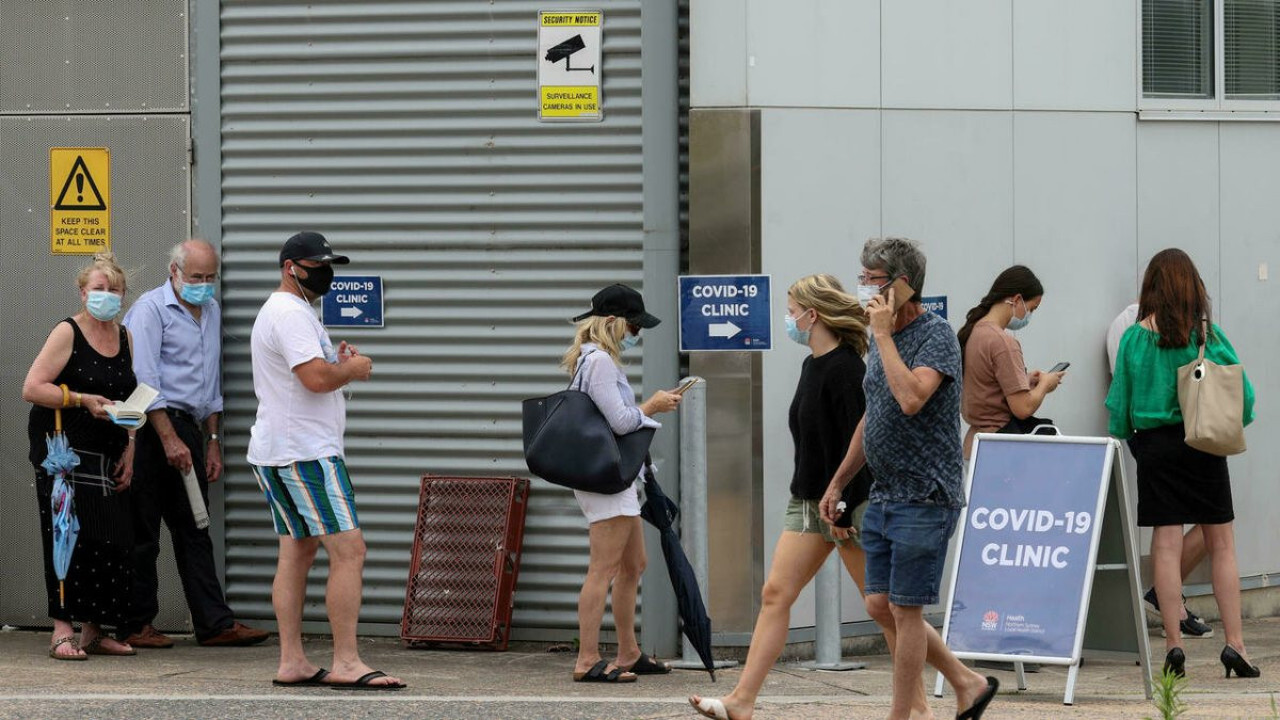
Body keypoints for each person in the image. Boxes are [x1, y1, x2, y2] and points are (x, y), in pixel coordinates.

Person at [691, 275, 930, 720]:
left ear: (811, 314)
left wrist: (841, 505)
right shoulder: (811, 365)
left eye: (791, 309)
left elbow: (861, 445)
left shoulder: (847, 369)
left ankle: (918, 710)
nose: (788, 318)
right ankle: (741, 700)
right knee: (775, 594)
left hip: (848, 506)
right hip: (806, 501)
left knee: (885, 611)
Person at [819, 238, 998, 720]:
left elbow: (912, 398)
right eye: (863, 276)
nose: (864, 287)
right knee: (878, 603)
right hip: (884, 491)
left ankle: (904, 715)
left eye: (873, 279)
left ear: (902, 284)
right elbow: (872, 415)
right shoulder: (882, 337)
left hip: (927, 492)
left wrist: (880, 337)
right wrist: (839, 481)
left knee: (906, 610)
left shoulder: (934, 335)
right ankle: (968, 682)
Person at [248, 231, 404, 689]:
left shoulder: (287, 312)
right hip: (306, 453)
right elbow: (315, 380)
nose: (325, 273)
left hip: (280, 449)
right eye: (317, 265)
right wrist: (350, 370)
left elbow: (306, 374)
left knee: (297, 551)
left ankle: (293, 661)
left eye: (329, 264)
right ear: (289, 267)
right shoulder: (290, 313)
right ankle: (348, 662)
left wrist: (336, 361)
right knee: (350, 550)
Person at [1105, 248, 1259, 679]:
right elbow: (1243, 398)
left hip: (1154, 448)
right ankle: (1236, 645)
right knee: (1221, 544)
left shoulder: (1136, 337)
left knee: (1166, 546)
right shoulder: (1205, 335)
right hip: (1204, 444)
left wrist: (1130, 436)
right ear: (1193, 286)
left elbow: (1119, 406)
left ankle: (1173, 645)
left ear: (1151, 286)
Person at [117, 239, 269, 649]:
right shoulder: (150, 310)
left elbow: (210, 382)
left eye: (210, 278)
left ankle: (214, 624)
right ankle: (136, 624)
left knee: (194, 527)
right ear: (174, 272)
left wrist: (212, 440)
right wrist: (168, 438)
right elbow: (144, 380)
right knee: (143, 530)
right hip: (153, 429)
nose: (204, 285)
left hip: (190, 430)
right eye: (196, 277)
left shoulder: (211, 310)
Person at [22, 252, 139, 660]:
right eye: (99, 289)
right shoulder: (68, 332)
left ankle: (95, 630)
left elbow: (127, 399)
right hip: (63, 452)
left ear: (124, 295)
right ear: (83, 291)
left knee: (109, 540)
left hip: (107, 450)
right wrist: (80, 398)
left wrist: (130, 447)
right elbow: (33, 387)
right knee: (67, 536)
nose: (106, 296)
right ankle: (62, 630)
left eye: (114, 290)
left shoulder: (125, 336)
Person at [563, 284, 681, 684]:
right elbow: (621, 422)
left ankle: (628, 651)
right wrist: (654, 405)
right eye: (633, 327)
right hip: (605, 478)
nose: (637, 335)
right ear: (612, 323)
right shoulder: (598, 363)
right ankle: (587, 659)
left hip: (618, 476)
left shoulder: (598, 361)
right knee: (604, 568)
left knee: (634, 564)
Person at [1107, 301, 1213, 639]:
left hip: (1169, 436)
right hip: (1167, 434)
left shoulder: (1185, 324)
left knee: (1187, 529)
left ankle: (1171, 628)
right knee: (1203, 528)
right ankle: (1175, 609)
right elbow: (1122, 384)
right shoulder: (1131, 326)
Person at [956, 265, 1064, 459]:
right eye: (1032, 308)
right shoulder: (1003, 342)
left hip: (974, 446)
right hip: (1000, 449)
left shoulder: (974, 332)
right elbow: (1023, 408)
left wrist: (1023, 380)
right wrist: (1045, 386)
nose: (1030, 315)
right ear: (1016, 300)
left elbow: (986, 385)